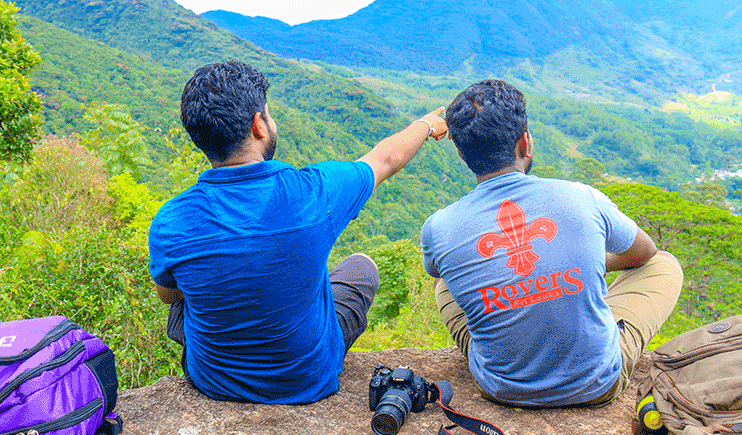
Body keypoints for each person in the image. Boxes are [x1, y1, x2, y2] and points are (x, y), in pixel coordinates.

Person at [149, 60, 448, 404]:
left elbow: (169, 297)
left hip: (214, 379)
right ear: (258, 125)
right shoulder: (312, 193)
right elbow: (384, 160)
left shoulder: (171, 219)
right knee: (362, 267)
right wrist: (425, 124)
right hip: (306, 378)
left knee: (181, 284)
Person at [420, 79, 683, 407]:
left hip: (501, 387)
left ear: (462, 153)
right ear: (525, 143)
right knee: (664, 264)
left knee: (445, 280)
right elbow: (645, 252)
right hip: (595, 383)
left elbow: (437, 271)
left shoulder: (438, 228)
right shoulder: (580, 196)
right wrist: (584, 264)